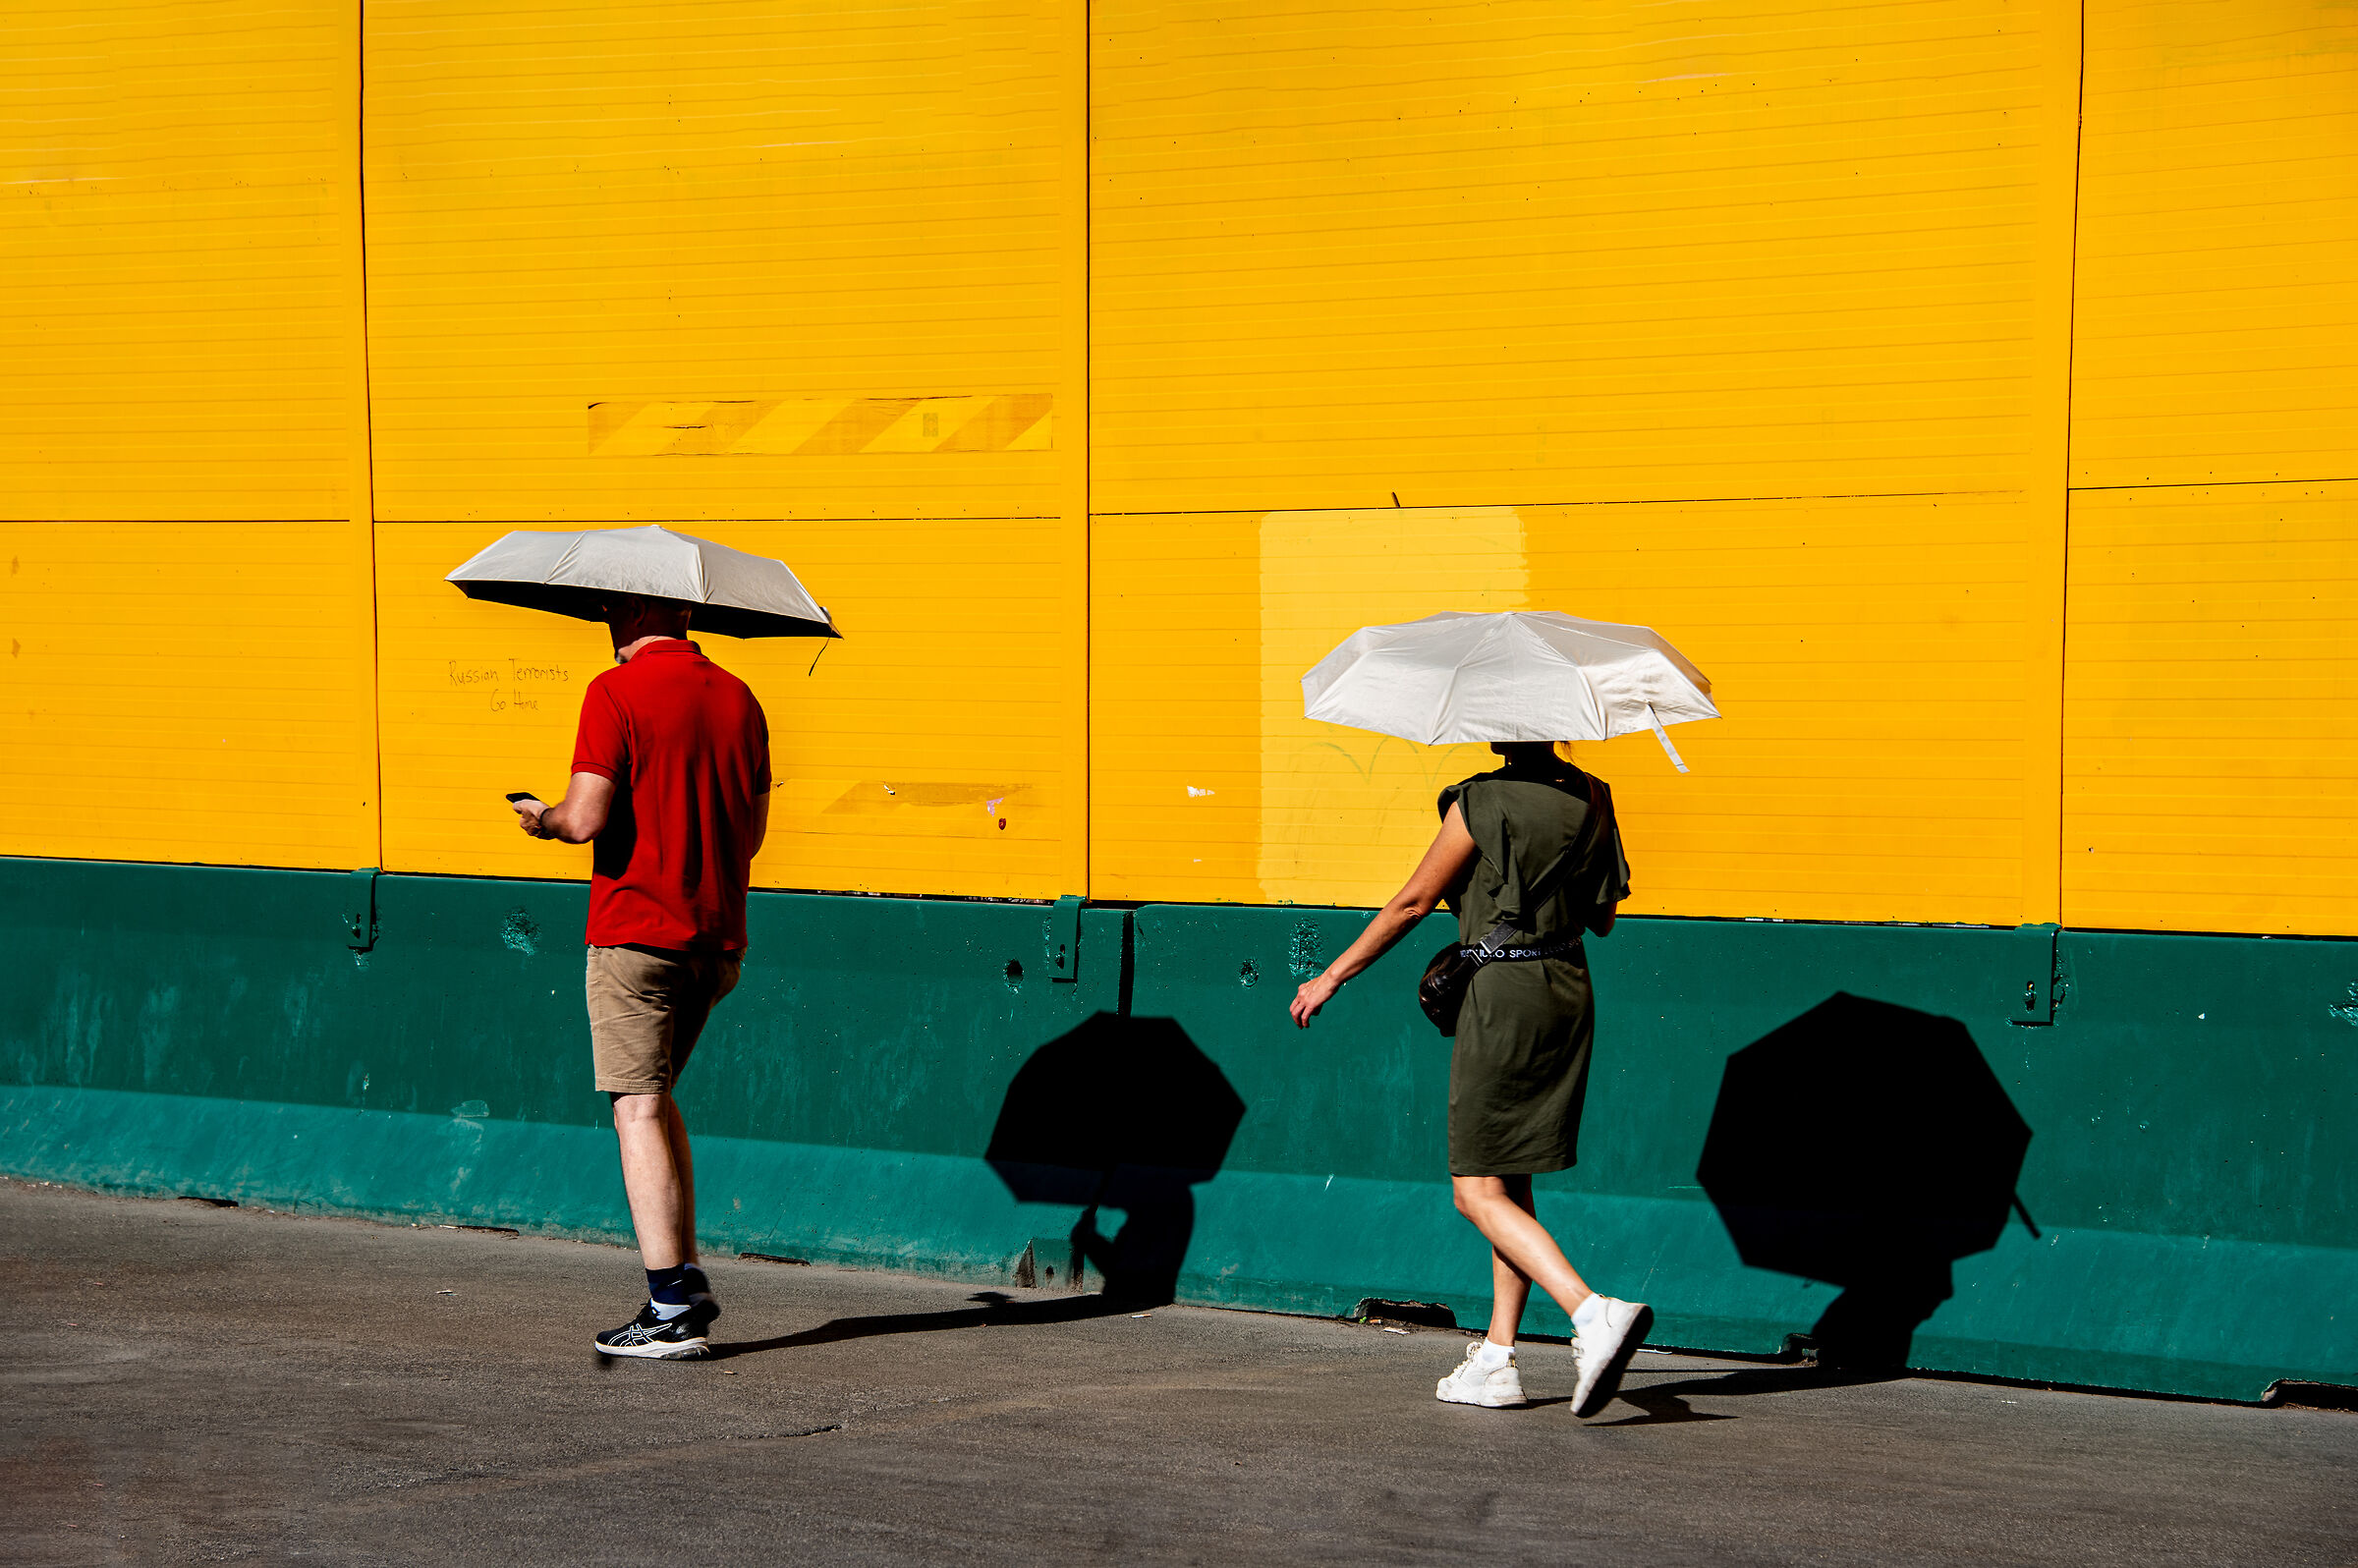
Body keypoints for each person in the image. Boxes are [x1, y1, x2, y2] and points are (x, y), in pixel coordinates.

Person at [1288, 740, 1652, 1417]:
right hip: (1567, 985)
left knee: (1474, 1190)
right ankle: (1497, 1359)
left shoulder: (1479, 801)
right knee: (1509, 1177)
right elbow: (1602, 917)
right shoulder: (1595, 797)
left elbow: (1412, 903)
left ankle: (1593, 1312)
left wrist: (1331, 976)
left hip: (1503, 993)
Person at [510, 593, 771, 1360]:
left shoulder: (613, 692)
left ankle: (667, 1309)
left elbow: (586, 818)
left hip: (637, 934)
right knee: (655, 1100)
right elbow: (750, 835)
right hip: (716, 940)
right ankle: (684, 1276)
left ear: (625, 613)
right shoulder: (740, 697)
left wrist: (543, 816)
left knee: (634, 1109)